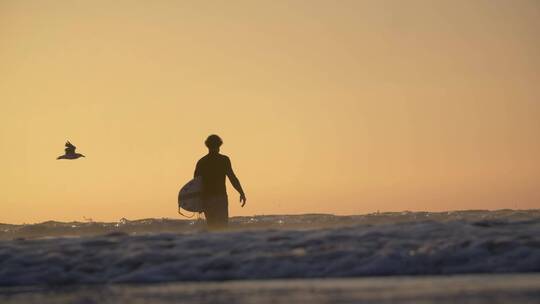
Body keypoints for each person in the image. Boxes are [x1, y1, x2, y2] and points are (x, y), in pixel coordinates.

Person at [194, 135, 246, 230]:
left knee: (212, 227)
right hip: (220, 197)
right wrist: (241, 192)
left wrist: (198, 202)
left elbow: (195, 184)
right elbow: (232, 178)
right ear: (219, 145)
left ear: (208, 146)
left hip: (207, 199)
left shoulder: (202, 162)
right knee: (223, 227)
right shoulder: (224, 160)